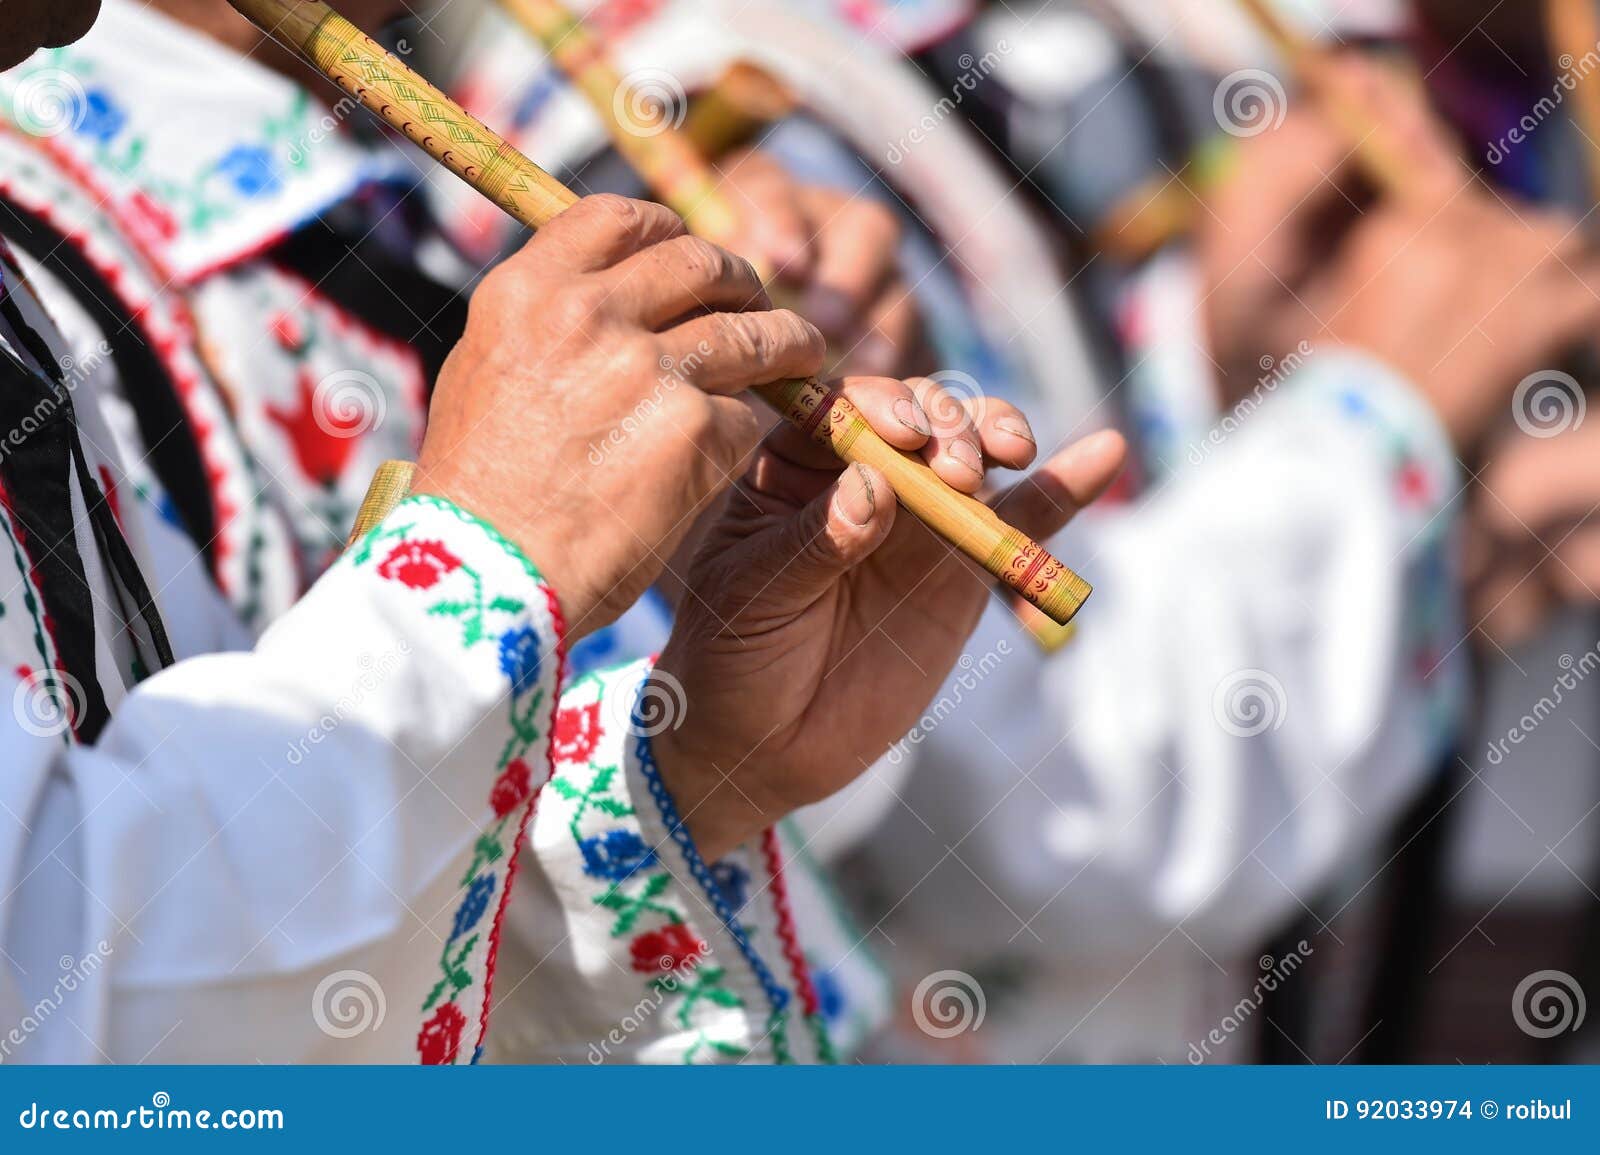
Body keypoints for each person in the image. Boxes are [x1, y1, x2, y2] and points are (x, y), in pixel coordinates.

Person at [0, 0, 1125, 1064]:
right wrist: (473, 575)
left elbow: (174, 909)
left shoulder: (336, 205)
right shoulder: (72, 240)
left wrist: (690, 765)